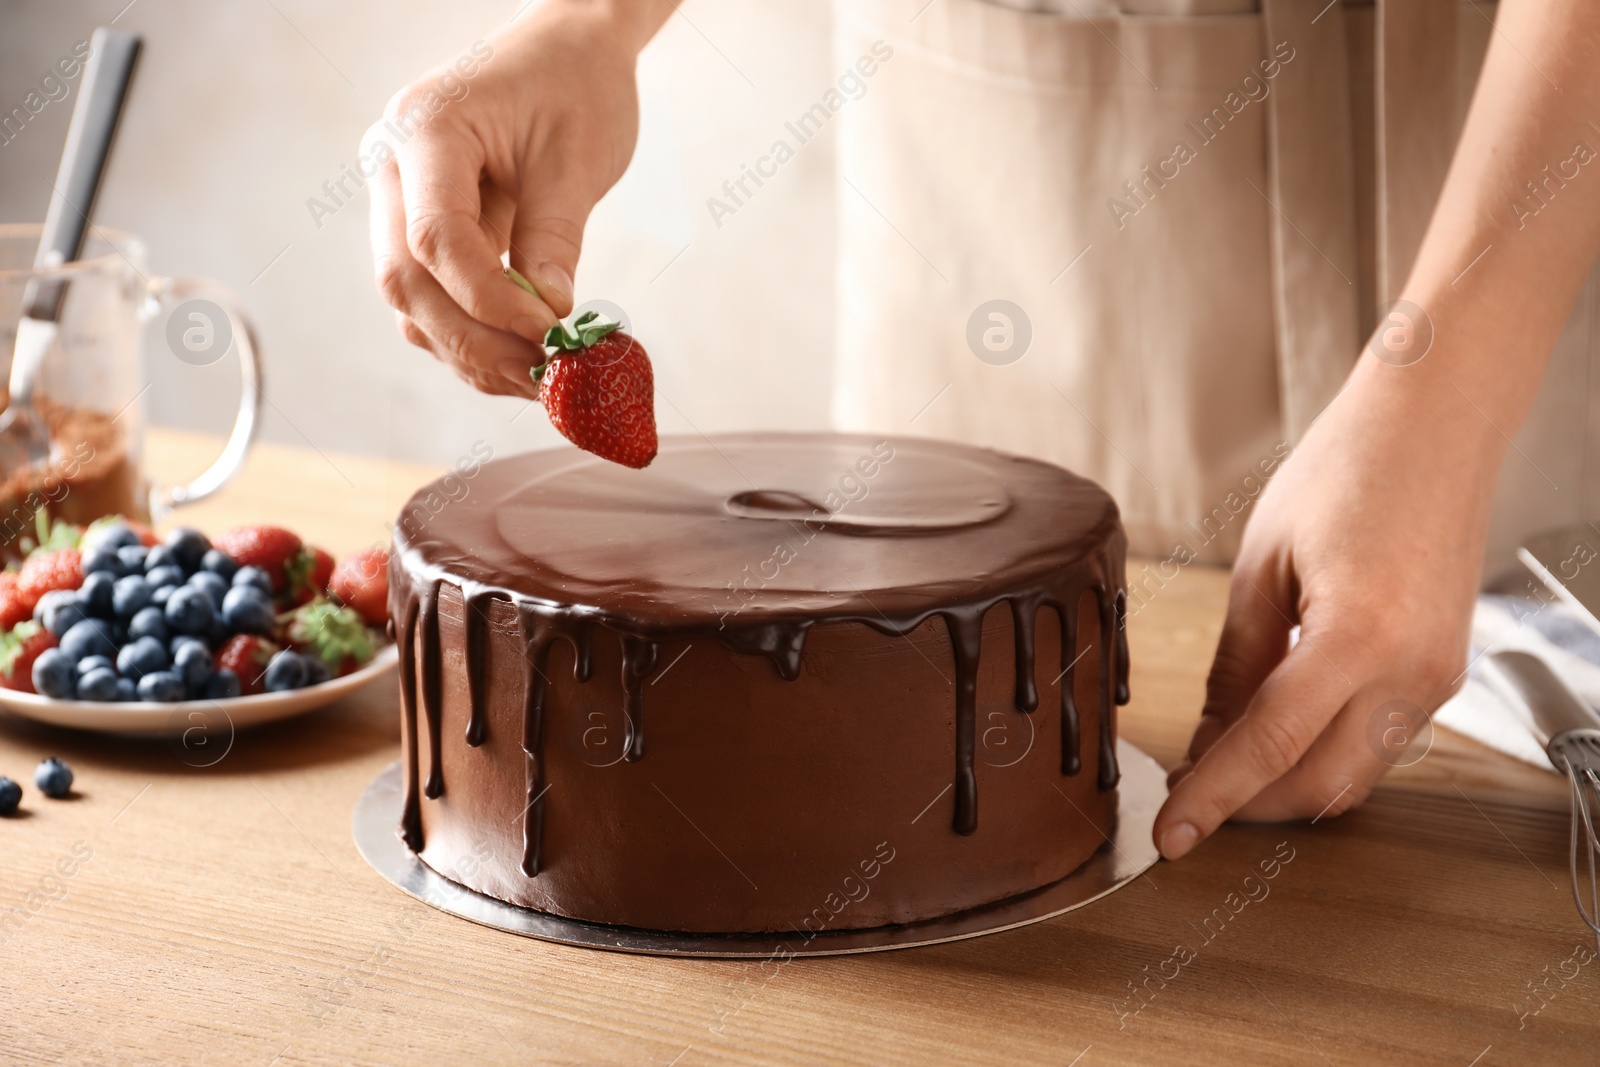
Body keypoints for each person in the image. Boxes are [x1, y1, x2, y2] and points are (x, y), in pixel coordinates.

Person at [366, 0, 1600, 861]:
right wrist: (590, 19)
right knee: (899, 716)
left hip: (1534, 197)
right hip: (1030, 208)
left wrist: (1449, 399)